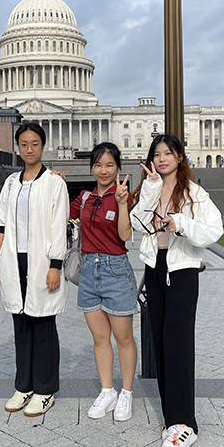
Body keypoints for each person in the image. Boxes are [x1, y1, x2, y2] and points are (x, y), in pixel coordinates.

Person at [129, 134, 223, 447]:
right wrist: (151, 192)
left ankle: (185, 424)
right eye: (157, 154)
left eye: (168, 153)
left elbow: (213, 230)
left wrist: (180, 223)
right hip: (155, 269)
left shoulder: (195, 193)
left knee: (179, 345)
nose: (162, 159)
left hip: (182, 271)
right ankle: (173, 418)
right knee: (161, 344)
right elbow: (138, 224)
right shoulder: (150, 188)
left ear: (180, 157)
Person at [0, 122, 69, 417]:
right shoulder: (11, 182)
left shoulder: (54, 182)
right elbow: (1, 222)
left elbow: (58, 226)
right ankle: (24, 386)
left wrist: (55, 265)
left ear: (42, 146)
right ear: (17, 147)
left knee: (43, 325)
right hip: (14, 259)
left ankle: (45, 389)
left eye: (35, 143)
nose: (29, 149)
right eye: (24, 144)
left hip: (41, 261)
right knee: (21, 326)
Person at [70, 142, 137, 421]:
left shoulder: (123, 195)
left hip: (116, 270)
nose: (104, 170)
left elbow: (125, 236)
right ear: (92, 167)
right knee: (100, 338)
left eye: (110, 165)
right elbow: (59, 211)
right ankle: (107, 390)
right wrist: (53, 180)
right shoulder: (84, 198)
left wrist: (122, 204)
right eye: (98, 165)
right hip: (88, 270)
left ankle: (127, 393)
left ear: (118, 167)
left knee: (123, 338)